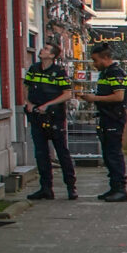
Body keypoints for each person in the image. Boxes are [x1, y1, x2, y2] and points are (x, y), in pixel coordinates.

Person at [22, 43, 78, 200]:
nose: (42, 50)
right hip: (37, 117)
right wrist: (29, 103)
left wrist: (48, 105)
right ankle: (46, 188)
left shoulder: (59, 72)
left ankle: (71, 187)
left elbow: (67, 94)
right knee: (41, 154)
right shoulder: (34, 69)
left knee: (62, 153)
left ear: (53, 56)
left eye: (46, 49)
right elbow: (25, 87)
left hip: (55, 118)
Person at [82, 42, 127, 202]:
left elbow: (118, 96)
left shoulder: (116, 73)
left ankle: (120, 189)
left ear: (105, 58)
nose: (94, 64)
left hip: (114, 118)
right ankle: (113, 187)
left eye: (96, 61)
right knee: (108, 155)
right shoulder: (105, 73)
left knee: (114, 154)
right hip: (106, 117)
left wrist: (94, 98)